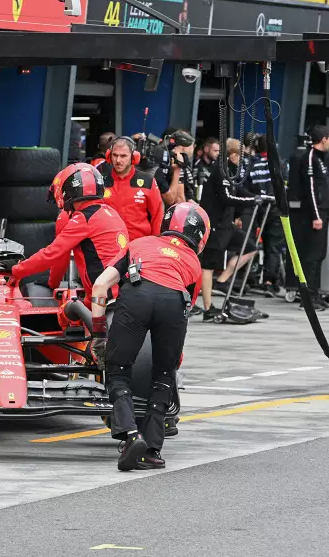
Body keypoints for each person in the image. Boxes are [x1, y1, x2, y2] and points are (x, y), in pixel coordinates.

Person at [90, 202, 209, 471]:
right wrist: (175, 355)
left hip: (136, 295)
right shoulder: (194, 263)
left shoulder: (139, 244)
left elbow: (100, 285)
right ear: (200, 236)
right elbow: (187, 307)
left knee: (118, 369)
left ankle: (131, 436)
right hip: (173, 301)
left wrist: (98, 333)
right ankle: (152, 449)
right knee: (165, 375)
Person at [9, 163, 128, 327]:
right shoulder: (110, 212)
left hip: (105, 301)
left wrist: (16, 270)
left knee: (63, 320)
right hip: (124, 294)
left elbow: (52, 254)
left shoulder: (83, 218)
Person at [196, 139, 262, 321]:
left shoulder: (231, 172)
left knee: (250, 248)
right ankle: (208, 308)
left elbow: (239, 191)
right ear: (233, 155)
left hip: (227, 224)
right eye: (240, 156)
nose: (242, 160)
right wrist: (251, 201)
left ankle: (222, 281)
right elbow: (227, 198)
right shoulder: (221, 171)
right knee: (208, 265)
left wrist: (259, 196)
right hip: (214, 224)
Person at [294, 125, 329, 310]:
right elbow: (310, 189)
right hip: (315, 214)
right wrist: (316, 216)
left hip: (324, 211)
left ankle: (315, 293)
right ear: (324, 139)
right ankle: (307, 298)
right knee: (311, 256)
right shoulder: (310, 158)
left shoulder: (322, 158)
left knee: (319, 254)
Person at [241, 135, 286, 295]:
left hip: (256, 208)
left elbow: (246, 185)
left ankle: (246, 279)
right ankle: (268, 281)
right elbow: (284, 186)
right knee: (273, 246)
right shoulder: (279, 164)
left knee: (251, 243)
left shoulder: (251, 164)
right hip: (275, 209)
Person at [97, 136, 164, 241]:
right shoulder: (100, 181)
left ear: (134, 157)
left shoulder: (147, 181)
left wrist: (155, 243)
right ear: (109, 156)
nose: (118, 160)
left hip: (140, 246)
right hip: (108, 246)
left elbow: (157, 216)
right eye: (115, 155)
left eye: (123, 156)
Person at [152, 130, 196, 207]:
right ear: (184, 145)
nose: (192, 149)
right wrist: (178, 169)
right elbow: (178, 199)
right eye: (191, 145)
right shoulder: (174, 162)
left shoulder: (180, 162)